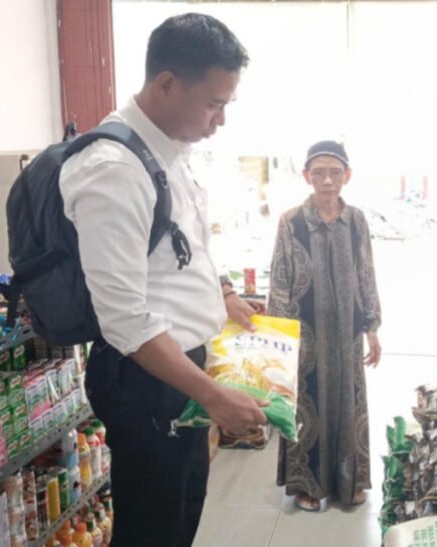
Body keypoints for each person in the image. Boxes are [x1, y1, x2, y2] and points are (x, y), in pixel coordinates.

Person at [58, 14, 267, 547]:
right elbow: (125, 319)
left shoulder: (168, 152)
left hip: (177, 373)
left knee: (180, 514)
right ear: (167, 83)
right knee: (154, 527)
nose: (219, 120)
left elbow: (182, 246)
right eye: (214, 103)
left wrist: (221, 294)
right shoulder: (114, 169)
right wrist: (213, 396)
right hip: (146, 380)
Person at [269, 140, 382, 512]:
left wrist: (372, 326)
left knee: (348, 400)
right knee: (308, 403)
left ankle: (351, 481)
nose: (328, 180)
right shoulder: (291, 221)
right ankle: (308, 484)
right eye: (319, 173)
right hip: (306, 331)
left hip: (347, 330)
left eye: (335, 172)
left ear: (346, 176)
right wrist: (278, 341)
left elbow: (366, 271)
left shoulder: (357, 220)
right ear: (306, 176)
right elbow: (280, 278)